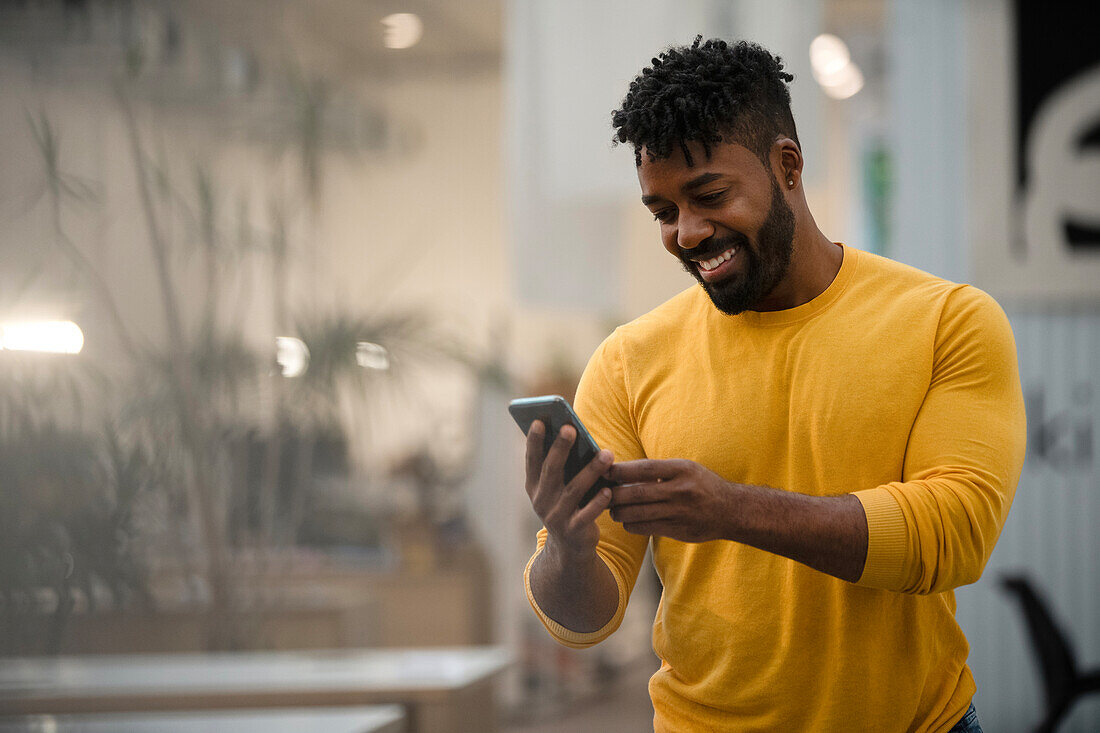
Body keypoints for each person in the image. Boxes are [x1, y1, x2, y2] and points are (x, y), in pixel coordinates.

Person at [521, 38, 1026, 732]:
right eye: (664, 212)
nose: (688, 233)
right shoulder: (628, 362)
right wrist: (568, 547)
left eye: (709, 195)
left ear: (787, 164)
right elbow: (585, 621)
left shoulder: (946, 321)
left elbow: (954, 534)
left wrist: (731, 510)